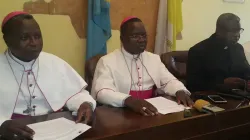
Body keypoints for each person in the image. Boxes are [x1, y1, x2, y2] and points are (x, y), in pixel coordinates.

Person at [0, 11, 96, 139]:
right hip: (13, 134)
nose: (34, 42)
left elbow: (76, 93)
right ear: (7, 40)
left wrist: (85, 104)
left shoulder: (54, 62)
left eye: (37, 36)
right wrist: (2, 124)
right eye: (25, 38)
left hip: (55, 128)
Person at [91, 16, 193, 116]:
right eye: (135, 36)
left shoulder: (154, 59)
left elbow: (169, 81)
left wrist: (179, 90)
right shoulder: (107, 61)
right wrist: (128, 100)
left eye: (144, 36)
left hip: (151, 110)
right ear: (122, 39)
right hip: (121, 112)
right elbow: (102, 92)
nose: (141, 40)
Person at [187, 13, 250, 92]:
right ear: (219, 31)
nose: (237, 35)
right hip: (214, 97)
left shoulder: (238, 48)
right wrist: (222, 83)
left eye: (238, 30)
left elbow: (247, 72)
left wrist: (248, 82)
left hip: (241, 96)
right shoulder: (198, 51)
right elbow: (192, 85)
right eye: (233, 31)